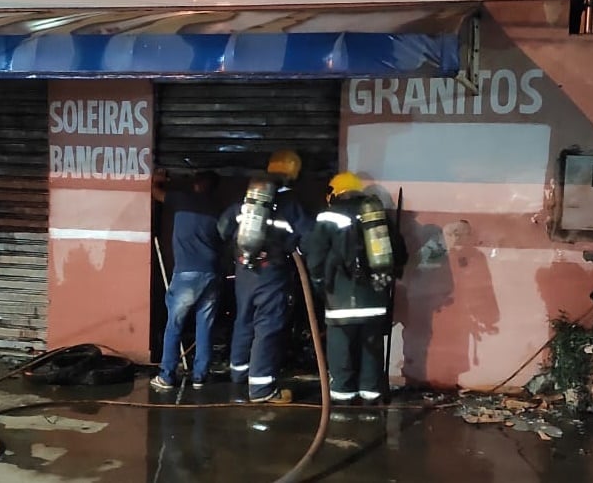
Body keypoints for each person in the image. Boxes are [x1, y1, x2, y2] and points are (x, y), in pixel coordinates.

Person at [217, 149, 313, 403]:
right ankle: (261, 389)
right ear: (293, 174)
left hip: (244, 271)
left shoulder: (247, 201)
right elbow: (309, 240)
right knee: (268, 327)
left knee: (244, 320)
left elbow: (223, 228)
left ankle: (239, 373)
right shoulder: (291, 204)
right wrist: (293, 247)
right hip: (272, 275)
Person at [305, 172, 407, 405]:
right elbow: (400, 252)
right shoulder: (377, 215)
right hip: (374, 299)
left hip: (340, 300)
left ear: (334, 192)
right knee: (371, 347)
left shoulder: (328, 216)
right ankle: (371, 393)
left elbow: (316, 257)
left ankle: (343, 396)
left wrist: (320, 285)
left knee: (341, 348)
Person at [150, 168, 223, 391]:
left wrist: (159, 178)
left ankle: (167, 376)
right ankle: (200, 377)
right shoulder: (218, 209)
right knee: (205, 326)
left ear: (196, 184)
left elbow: (154, 192)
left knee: (174, 326)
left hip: (187, 274)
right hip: (212, 273)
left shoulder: (182, 200)